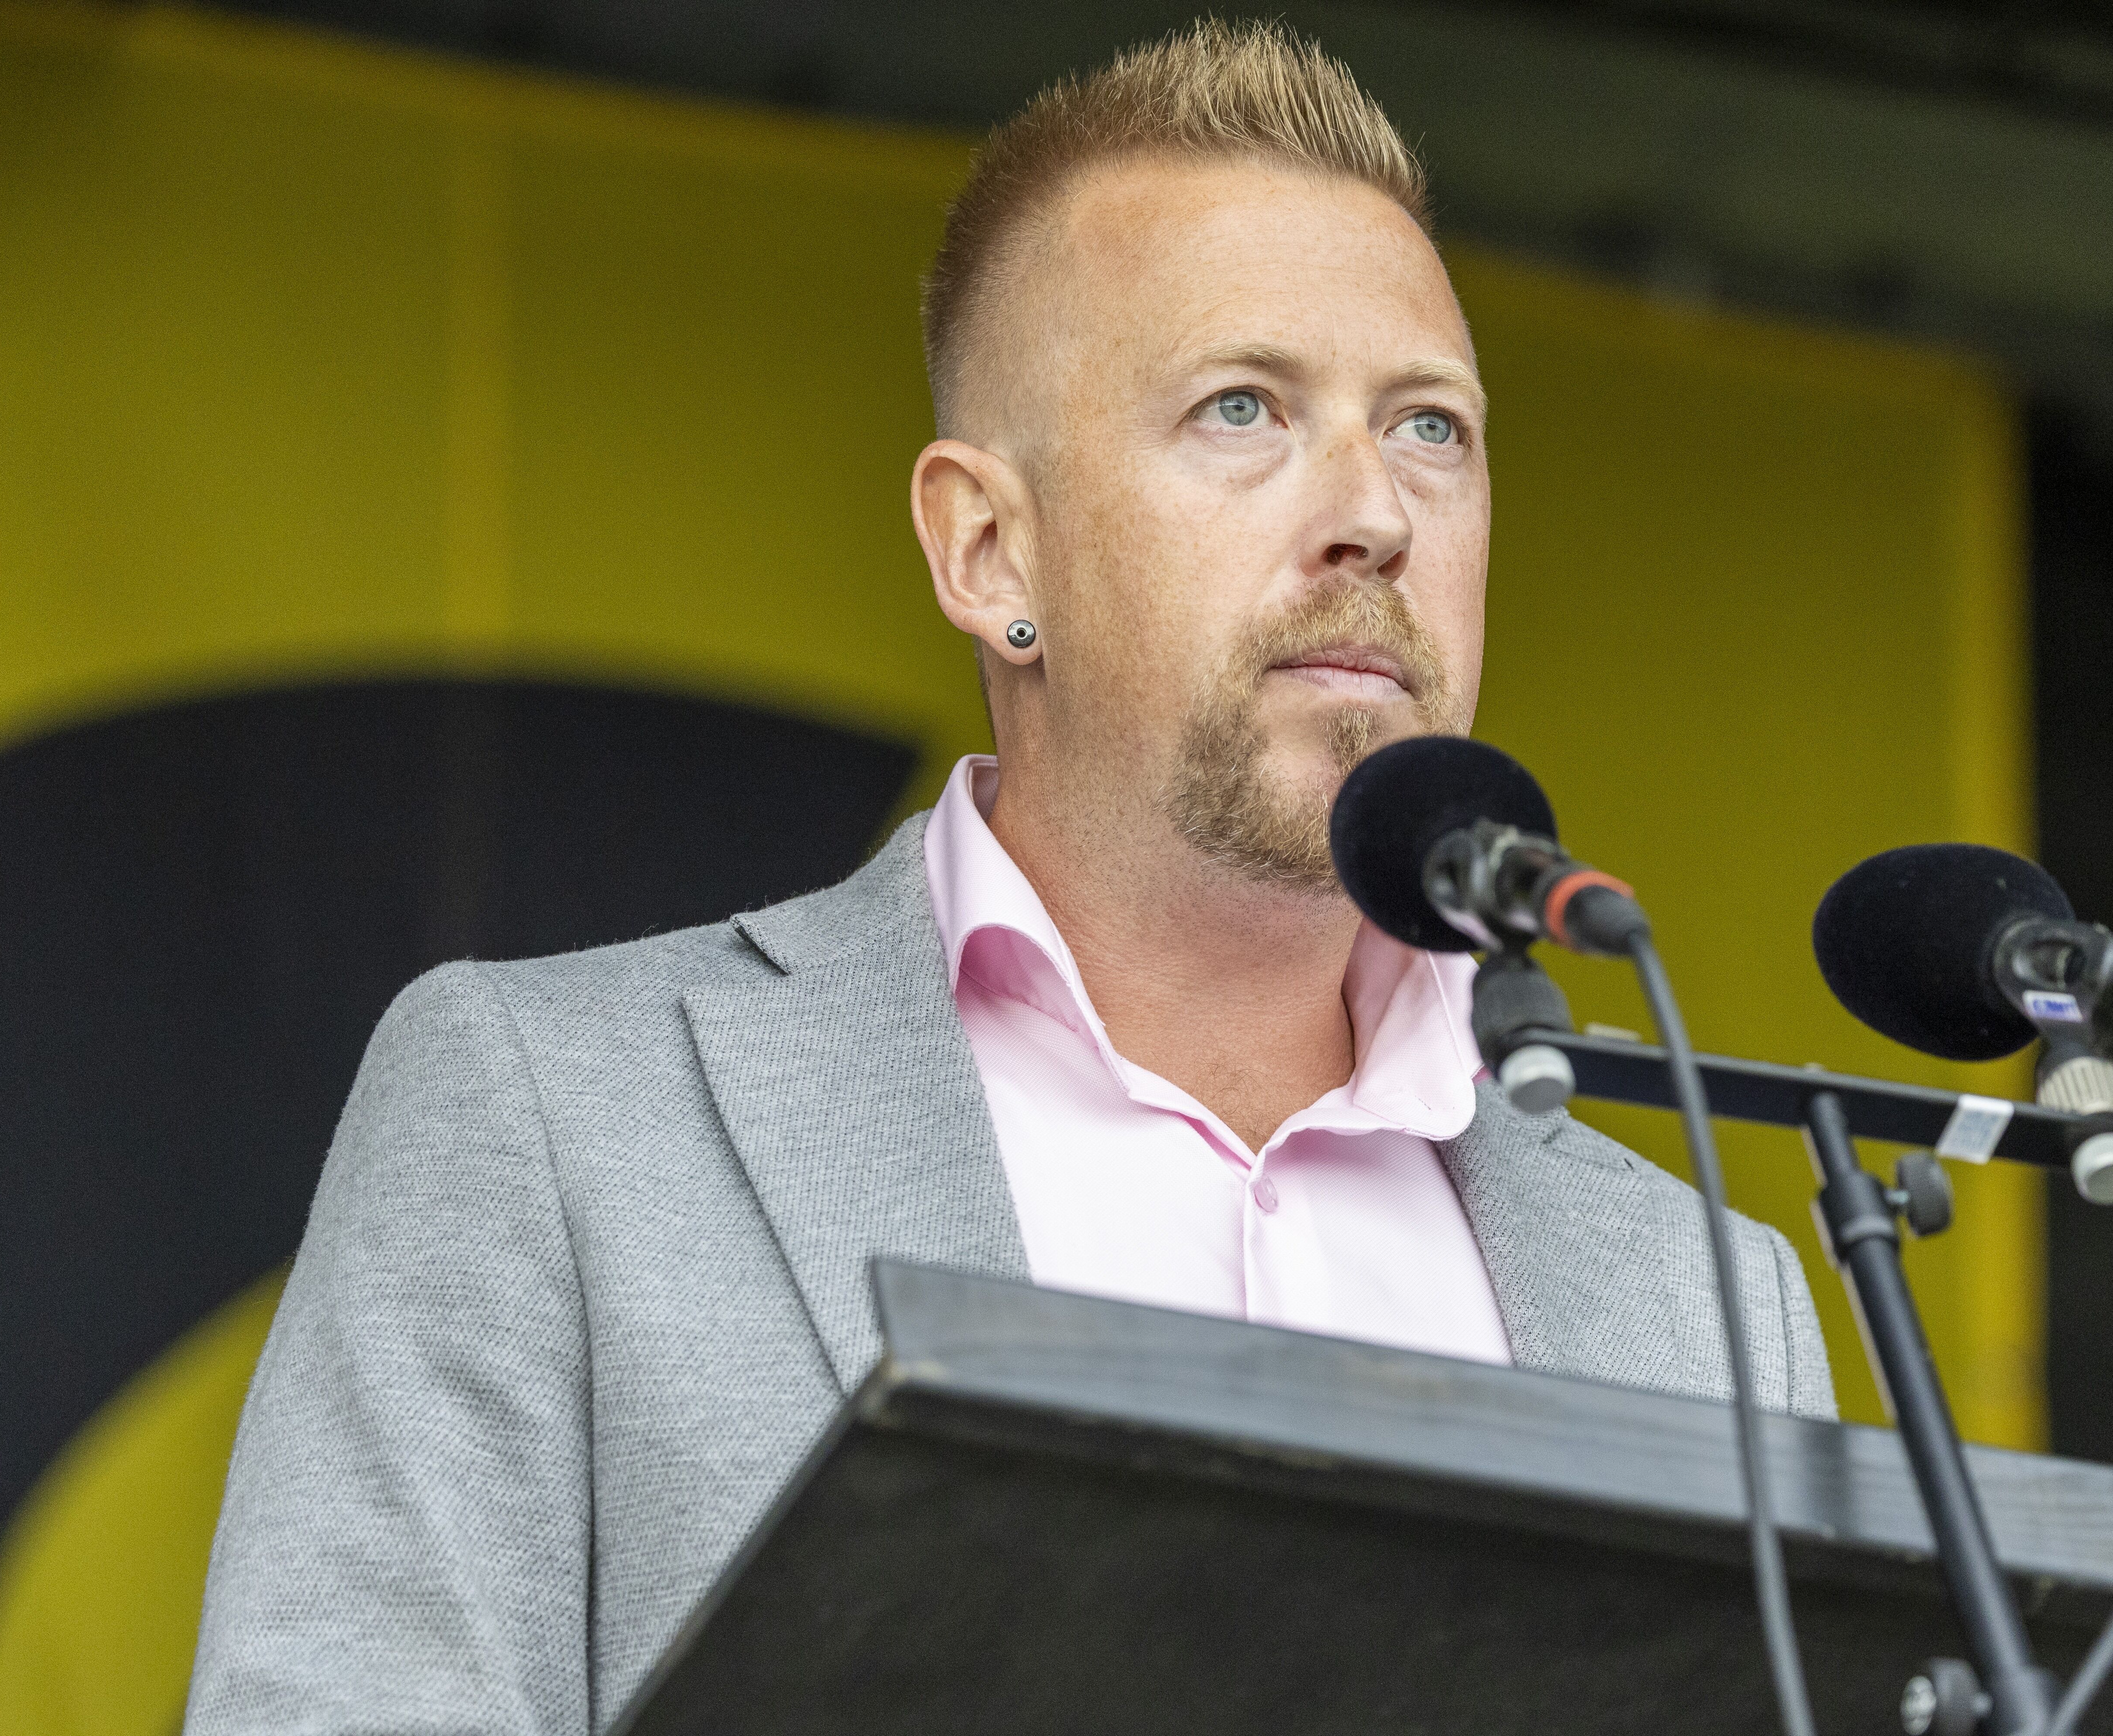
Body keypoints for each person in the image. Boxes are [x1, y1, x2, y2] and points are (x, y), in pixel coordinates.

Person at [186, 21, 1834, 1732]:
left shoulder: (1710, 1308)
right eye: (1244, 408)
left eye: (1431, 427)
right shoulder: (553, 1118)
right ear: (988, 548)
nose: (1376, 513)